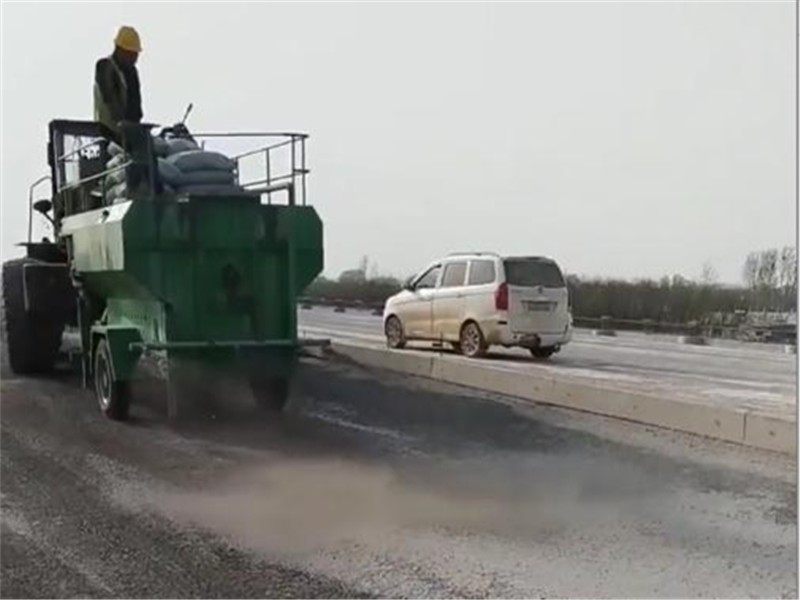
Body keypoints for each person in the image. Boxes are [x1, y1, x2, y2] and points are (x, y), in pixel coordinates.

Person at [94, 26, 143, 142]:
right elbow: (110, 99)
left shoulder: (132, 72)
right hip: (108, 134)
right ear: (120, 50)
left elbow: (136, 106)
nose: (135, 58)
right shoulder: (105, 66)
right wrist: (122, 124)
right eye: (131, 53)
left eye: (136, 54)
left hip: (129, 135)